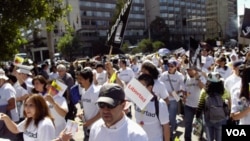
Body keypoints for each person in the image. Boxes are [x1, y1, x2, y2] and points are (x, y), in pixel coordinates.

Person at [196, 72, 230, 141]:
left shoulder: (204, 91)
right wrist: (228, 113)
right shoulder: (224, 91)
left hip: (208, 118)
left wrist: (197, 117)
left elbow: (200, 105)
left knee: (209, 139)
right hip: (221, 118)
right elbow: (229, 101)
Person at [135, 74, 170, 141]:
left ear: (150, 88)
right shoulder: (137, 99)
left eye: (142, 86)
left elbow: (166, 127)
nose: (138, 89)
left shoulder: (160, 104)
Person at [159, 59, 185, 140]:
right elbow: (159, 85)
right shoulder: (163, 75)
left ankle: (170, 133)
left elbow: (183, 88)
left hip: (174, 99)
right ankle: (164, 132)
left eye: (171, 66)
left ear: (176, 67)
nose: (169, 68)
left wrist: (177, 92)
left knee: (171, 117)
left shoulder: (180, 76)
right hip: (164, 99)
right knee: (163, 117)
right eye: (168, 66)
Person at [76, 68, 101, 141]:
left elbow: (101, 112)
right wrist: (82, 113)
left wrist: (89, 122)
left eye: (81, 79)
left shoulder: (95, 92)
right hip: (87, 127)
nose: (78, 81)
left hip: (95, 128)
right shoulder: (84, 91)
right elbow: (87, 107)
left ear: (88, 79)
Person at [183, 66, 206, 141]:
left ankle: (200, 137)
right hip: (188, 105)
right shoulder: (186, 78)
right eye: (187, 70)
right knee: (188, 123)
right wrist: (184, 96)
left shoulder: (200, 77)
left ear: (194, 70)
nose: (188, 71)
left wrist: (198, 78)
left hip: (199, 105)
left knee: (199, 123)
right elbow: (185, 91)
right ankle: (187, 138)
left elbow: (203, 88)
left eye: (190, 70)